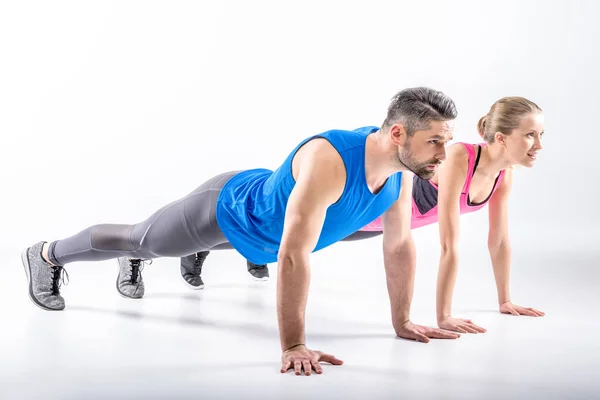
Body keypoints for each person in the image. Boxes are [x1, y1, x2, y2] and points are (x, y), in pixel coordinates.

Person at [21, 87, 460, 376]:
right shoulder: (332, 158)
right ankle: (47, 255)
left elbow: (399, 243)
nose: (444, 153)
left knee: (256, 242)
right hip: (223, 210)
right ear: (398, 132)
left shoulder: (403, 169)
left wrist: (401, 321)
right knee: (142, 240)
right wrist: (294, 346)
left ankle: (194, 253)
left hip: (260, 236)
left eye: (446, 140)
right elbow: (293, 256)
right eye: (435, 141)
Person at [317, 96, 547, 334]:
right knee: (287, 234)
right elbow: (449, 246)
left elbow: (499, 241)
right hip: (365, 211)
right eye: (531, 135)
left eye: (541, 134)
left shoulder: (504, 174)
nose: (539, 145)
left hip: (382, 225)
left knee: (294, 241)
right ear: (501, 138)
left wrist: (505, 301)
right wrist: (444, 316)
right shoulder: (460, 158)